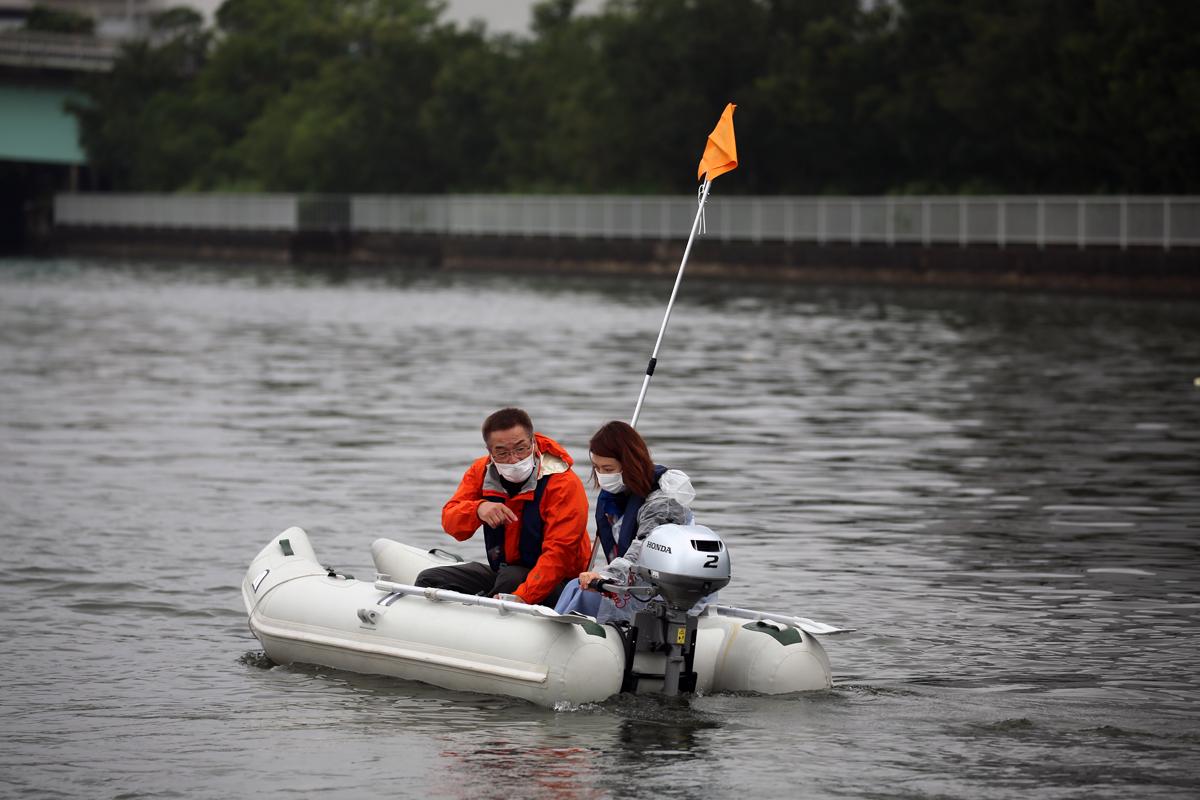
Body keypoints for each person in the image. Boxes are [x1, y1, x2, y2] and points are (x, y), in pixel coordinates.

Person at [415, 407, 590, 607]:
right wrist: (477, 510)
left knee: (511, 579)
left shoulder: (563, 483)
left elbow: (560, 554)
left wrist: (523, 596)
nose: (514, 459)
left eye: (520, 448)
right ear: (490, 452)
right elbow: (452, 524)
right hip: (506, 573)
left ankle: (487, 615)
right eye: (502, 452)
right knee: (430, 579)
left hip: (560, 583)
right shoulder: (480, 471)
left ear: (533, 443)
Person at [553, 420, 696, 621]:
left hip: (661, 594)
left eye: (608, 469)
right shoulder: (616, 499)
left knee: (583, 591)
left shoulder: (663, 503)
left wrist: (606, 576)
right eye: (597, 468)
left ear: (629, 464)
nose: (601, 475)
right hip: (633, 584)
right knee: (575, 585)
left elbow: (644, 548)